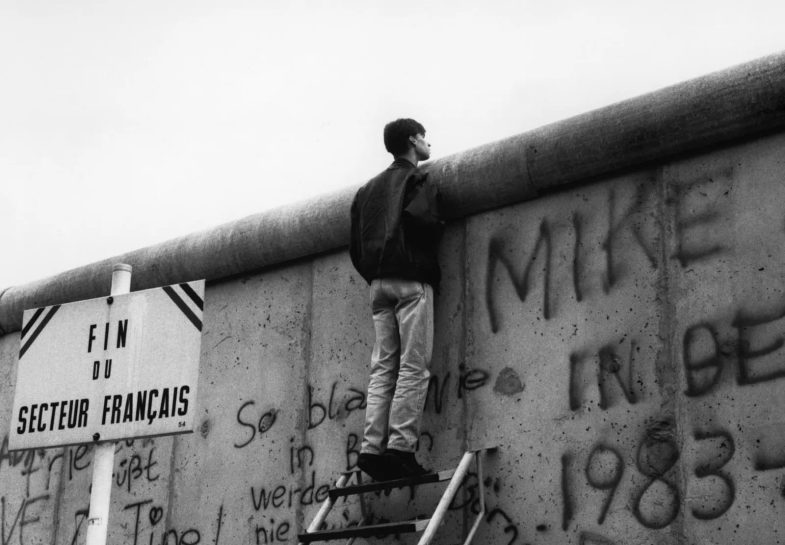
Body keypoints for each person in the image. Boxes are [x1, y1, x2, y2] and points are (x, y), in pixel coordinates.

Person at [349, 118, 443, 481]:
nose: (427, 142)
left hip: (378, 285)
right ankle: (401, 449)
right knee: (413, 366)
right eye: (424, 136)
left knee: (383, 368)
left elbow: (355, 245)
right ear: (412, 140)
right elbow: (426, 224)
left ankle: (371, 449)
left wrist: (375, 272)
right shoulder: (417, 179)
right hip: (410, 280)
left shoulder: (366, 190)